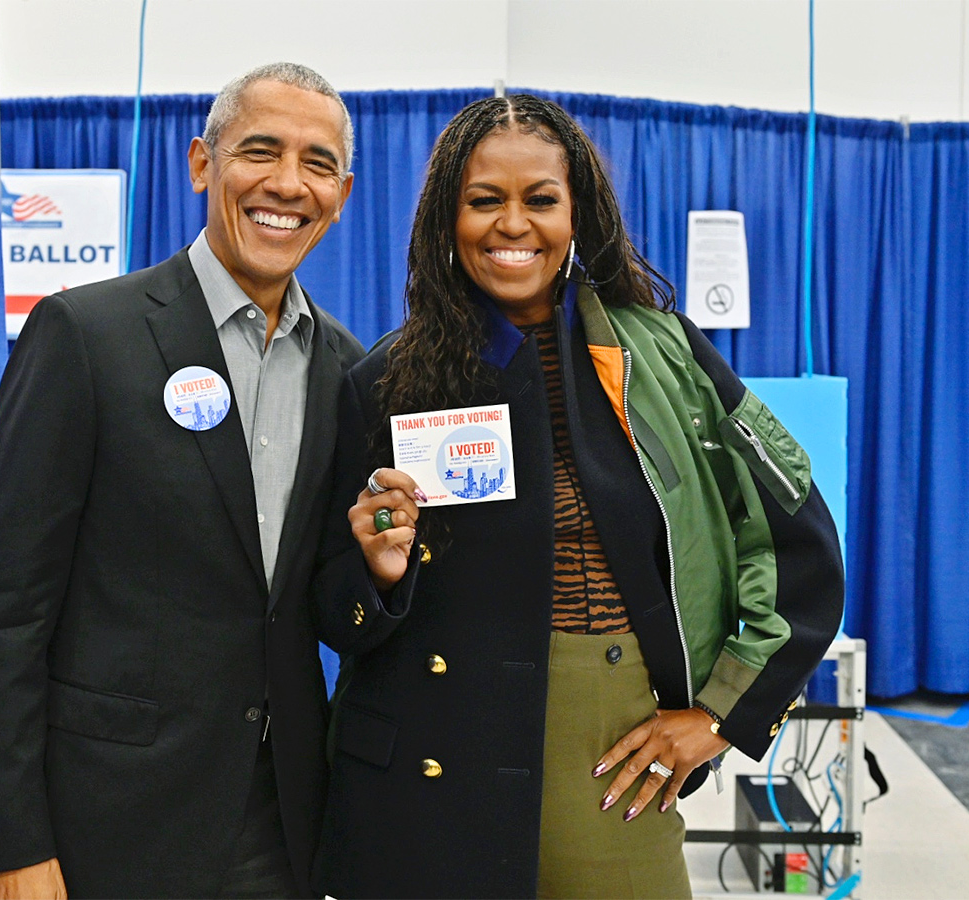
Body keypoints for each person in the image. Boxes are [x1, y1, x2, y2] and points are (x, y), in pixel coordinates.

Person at [310, 94, 844, 899]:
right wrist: (380, 573)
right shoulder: (382, 380)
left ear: (578, 211)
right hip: (428, 770)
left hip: (611, 755)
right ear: (444, 220)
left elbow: (796, 532)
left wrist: (725, 712)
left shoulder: (663, 354)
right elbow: (333, 610)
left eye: (540, 200)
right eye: (484, 200)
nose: (512, 224)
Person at [0, 62, 363, 899]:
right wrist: (16, 842)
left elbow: (317, 598)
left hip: (278, 826)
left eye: (317, 164)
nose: (288, 184)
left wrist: (380, 572)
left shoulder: (347, 370)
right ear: (200, 164)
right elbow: (6, 609)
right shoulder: (85, 335)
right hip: (104, 821)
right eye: (261, 151)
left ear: (343, 193)